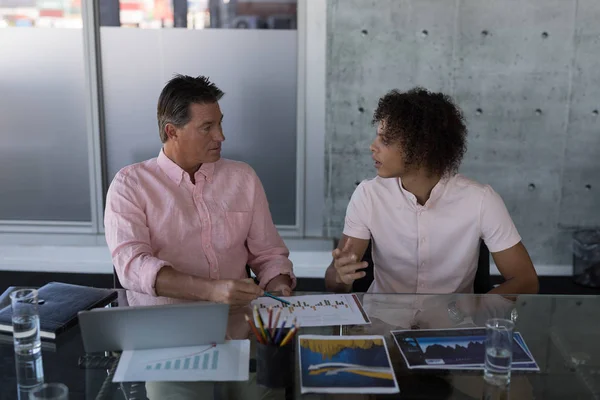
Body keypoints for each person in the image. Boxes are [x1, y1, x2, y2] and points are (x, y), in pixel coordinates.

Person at [105, 74, 295, 308]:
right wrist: (211, 291)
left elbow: (269, 255)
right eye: (207, 128)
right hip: (162, 325)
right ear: (172, 132)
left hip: (235, 321)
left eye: (220, 123)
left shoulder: (243, 178)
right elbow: (132, 266)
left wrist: (278, 284)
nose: (220, 136)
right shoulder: (130, 185)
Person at [325, 87, 539, 295]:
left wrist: (473, 313)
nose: (373, 146)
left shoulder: (481, 200)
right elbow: (335, 283)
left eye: (386, 140)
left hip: (451, 326)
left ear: (421, 148)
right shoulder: (368, 195)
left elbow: (525, 281)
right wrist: (340, 276)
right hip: (383, 322)